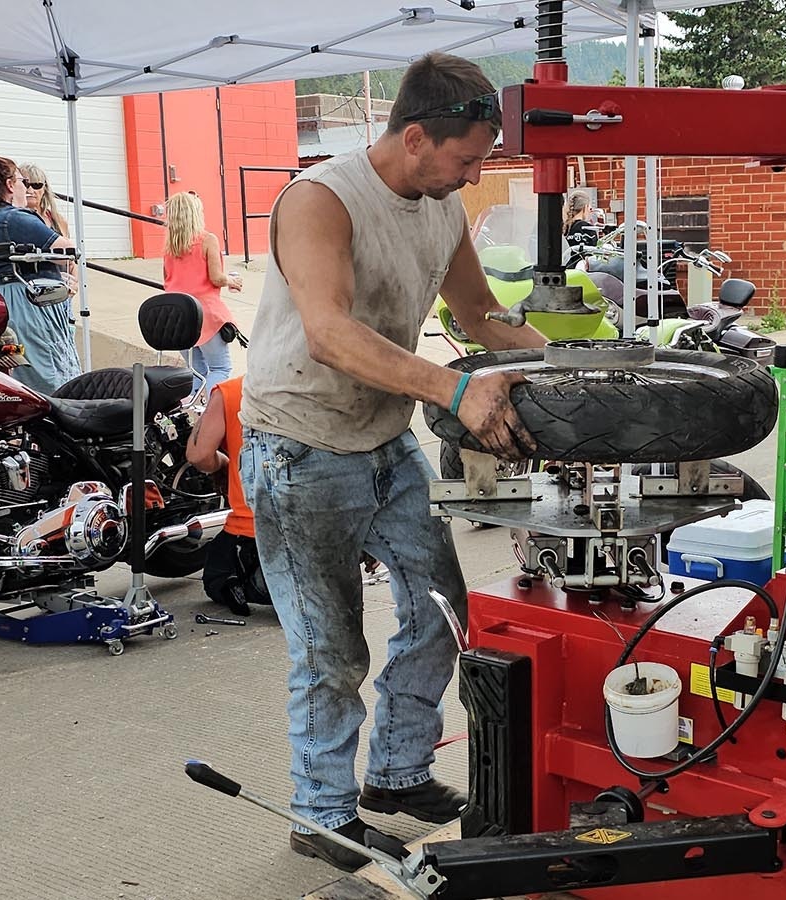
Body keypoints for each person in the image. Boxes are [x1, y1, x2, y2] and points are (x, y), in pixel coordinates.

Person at [238, 52, 545, 871]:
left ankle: (398, 774)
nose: (476, 177)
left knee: (443, 608)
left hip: (383, 439)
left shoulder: (441, 209)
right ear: (415, 137)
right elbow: (329, 334)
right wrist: (456, 392)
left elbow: (479, 312)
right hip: (299, 446)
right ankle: (322, 814)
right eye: (467, 159)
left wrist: (572, 369)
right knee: (331, 648)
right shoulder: (321, 200)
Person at [0, 155, 80, 394]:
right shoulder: (15, 218)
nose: (25, 187)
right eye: (22, 181)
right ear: (9, 185)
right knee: (49, 375)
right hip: (28, 306)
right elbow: (67, 249)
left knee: (17, 372)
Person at [186, 375, 270, 616]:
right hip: (317, 529)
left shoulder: (231, 391)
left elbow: (198, 455)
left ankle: (253, 582)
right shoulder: (319, 386)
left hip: (252, 532)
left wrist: (223, 463)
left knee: (215, 577)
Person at [162, 191, 241, 401]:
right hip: (204, 313)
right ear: (195, 214)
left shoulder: (170, 247)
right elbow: (216, 278)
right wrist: (231, 280)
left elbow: (167, 280)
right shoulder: (207, 240)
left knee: (196, 372)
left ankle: (193, 414)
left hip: (176, 315)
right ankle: (212, 415)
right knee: (220, 368)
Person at [19, 163, 71, 239]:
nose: (30, 190)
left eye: (37, 185)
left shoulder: (59, 220)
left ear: (44, 189)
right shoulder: (11, 218)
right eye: (25, 184)